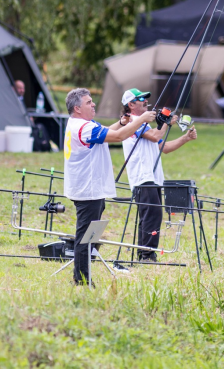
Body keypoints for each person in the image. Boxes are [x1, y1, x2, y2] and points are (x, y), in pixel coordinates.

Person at [63, 87, 155, 285]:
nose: (93, 104)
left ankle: (83, 275)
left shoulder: (79, 123)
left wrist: (122, 122)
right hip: (87, 190)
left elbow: (108, 131)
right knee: (85, 237)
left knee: (89, 234)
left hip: (87, 188)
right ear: (78, 108)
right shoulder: (84, 127)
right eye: (89, 102)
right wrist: (140, 119)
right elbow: (119, 137)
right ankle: (80, 280)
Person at [120, 88, 197, 262]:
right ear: (130, 105)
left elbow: (164, 147)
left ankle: (144, 253)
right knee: (152, 215)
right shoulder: (131, 121)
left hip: (153, 177)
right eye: (140, 99)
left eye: (146, 98)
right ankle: (147, 256)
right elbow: (155, 137)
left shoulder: (144, 124)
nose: (145, 101)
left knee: (150, 215)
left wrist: (186, 138)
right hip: (142, 177)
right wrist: (165, 124)